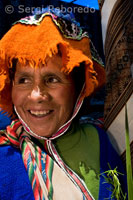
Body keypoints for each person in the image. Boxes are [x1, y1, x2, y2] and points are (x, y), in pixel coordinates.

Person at [0, 9, 127, 200]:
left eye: (52, 79)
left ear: (78, 89)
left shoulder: (99, 139)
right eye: (24, 80)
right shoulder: (3, 158)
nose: (37, 96)